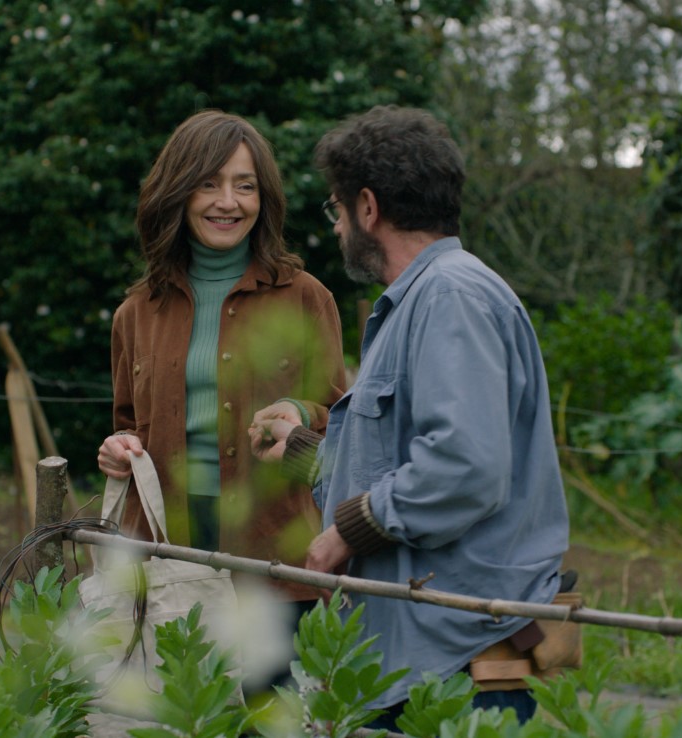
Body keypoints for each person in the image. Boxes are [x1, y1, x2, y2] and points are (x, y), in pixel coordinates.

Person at [248, 106, 569, 726]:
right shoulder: (420, 300)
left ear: (367, 207)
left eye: (337, 210)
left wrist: (346, 531)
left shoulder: (452, 297)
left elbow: (465, 465)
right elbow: (398, 462)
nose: (338, 227)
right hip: (417, 663)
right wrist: (301, 450)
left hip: (458, 671)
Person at [95, 109, 347, 681]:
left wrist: (299, 413)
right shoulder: (136, 311)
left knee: (270, 711)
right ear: (177, 193)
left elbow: (341, 419)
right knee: (179, 710)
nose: (227, 201)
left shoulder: (306, 297)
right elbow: (129, 424)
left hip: (273, 552)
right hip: (166, 554)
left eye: (245, 185)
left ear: (265, 198)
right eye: (208, 183)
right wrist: (117, 449)